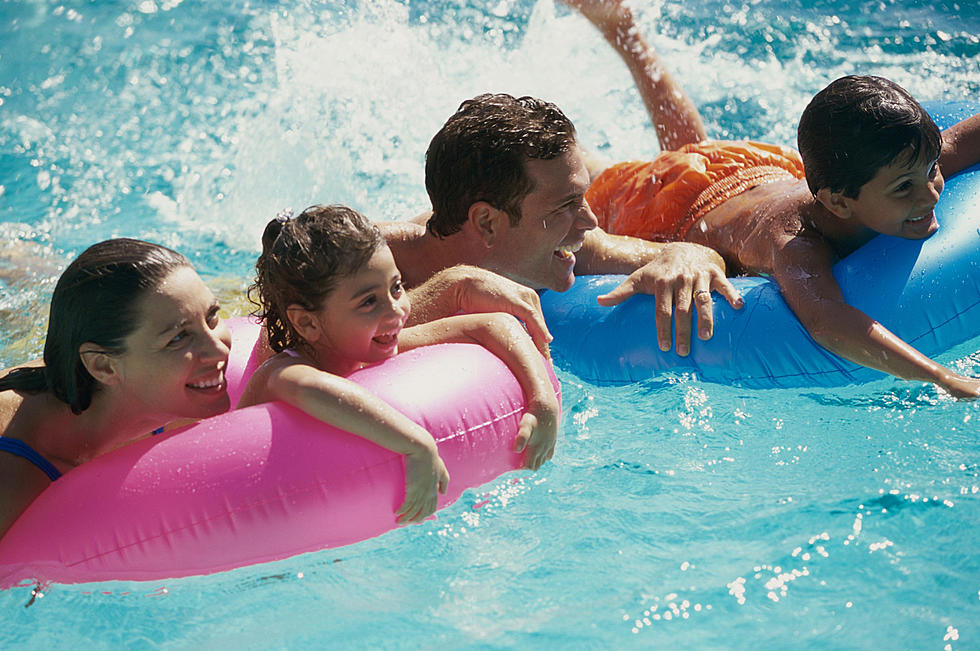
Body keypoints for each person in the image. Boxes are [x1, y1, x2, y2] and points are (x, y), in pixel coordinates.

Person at [561, 0, 980, 397]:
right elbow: (828, 323)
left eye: (933, 172)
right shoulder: (797, 242)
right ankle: (618, 41)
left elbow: (966, 138)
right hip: (685, 212)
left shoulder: (902, 165)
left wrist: (921, 174)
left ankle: (626, 32)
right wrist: (943, 377)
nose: (931, 192)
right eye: (906, 189)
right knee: (612, 177)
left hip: (758, 169)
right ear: (838, 203)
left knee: (689, 150)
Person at [237, 205, 560, 524]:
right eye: (368, 302)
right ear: (307, 324)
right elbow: (311, 389)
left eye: (396, 287)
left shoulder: (366, 347)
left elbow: (494, 324)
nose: (396, 312)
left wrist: (542, 399)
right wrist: (416, 444)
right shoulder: (282, 370)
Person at [380, 97, 745, 359]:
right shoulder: (370, 262)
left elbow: (691, 255)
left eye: (582, 198)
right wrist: (452, 291)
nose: (590, 221)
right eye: (567, 205)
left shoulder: (574, 247)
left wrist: (688, 254)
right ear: (487, 223)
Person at [0, 238, 233, 537]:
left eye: (212, 316)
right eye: (178, 338)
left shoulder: (173, 397)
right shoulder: (12, 479)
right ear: (104, 367)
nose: (220, 351)